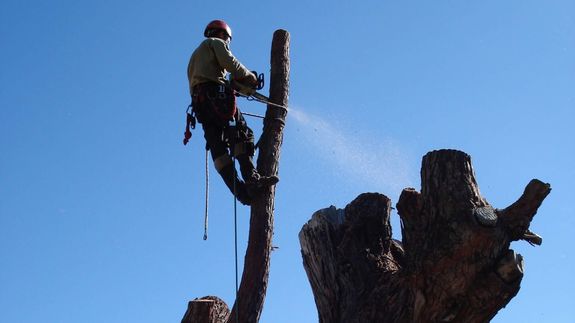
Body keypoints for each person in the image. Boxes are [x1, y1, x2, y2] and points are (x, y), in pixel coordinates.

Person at [187, 20, 278, 206]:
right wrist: (249, 77)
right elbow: (231, 63)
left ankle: (241, 193)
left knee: (219, 150)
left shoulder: (195, 57)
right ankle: (252, 179)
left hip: (202, 107)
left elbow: (213, 79)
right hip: (217, 99)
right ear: (222, 34)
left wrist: (238, 87)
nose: (227, 43)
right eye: (227, 39)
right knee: (243, 134)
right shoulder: (215, 43)